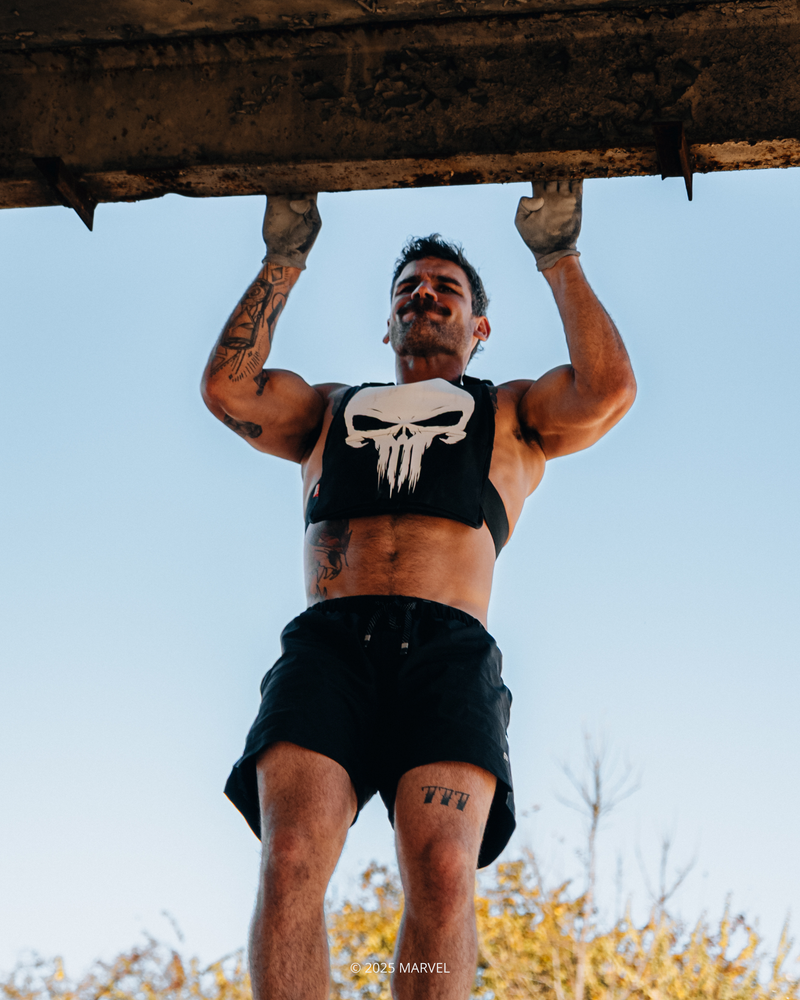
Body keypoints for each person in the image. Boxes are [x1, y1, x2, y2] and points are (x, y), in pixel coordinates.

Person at [201, 182, 636, 1000]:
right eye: (407, 287)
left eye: (446, 288)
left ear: (479, 327)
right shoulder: (330, 409)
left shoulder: (511, 411)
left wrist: (559, 257)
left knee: (441, 870)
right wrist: (283, 259)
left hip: (446, 649)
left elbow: (607, 389)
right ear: (387, 322)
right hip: (330, 644)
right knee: (289, 858)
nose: (424, 294)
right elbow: (229, 389)